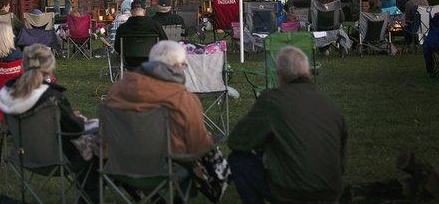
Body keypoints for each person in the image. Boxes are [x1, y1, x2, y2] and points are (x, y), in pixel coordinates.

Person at [227, 46, 347, 204]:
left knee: (238, 160)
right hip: (331, 192)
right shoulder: (330, 105)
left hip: (292, 193)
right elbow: (341, 161)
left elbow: (237, 142)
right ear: (308, 72)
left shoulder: (272, 101)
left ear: (279, 75)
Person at [0, 44, 99, 203]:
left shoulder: (9, 94)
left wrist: (68, 116)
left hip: (23, 155)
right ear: (50, 66)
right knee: (96, 155)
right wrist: (77, 118)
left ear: (24, 63)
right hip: (58, 158)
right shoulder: (52, 97)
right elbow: (76, 130)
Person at [105, 40, 212, 155]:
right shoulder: (184, 99)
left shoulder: (116, 91)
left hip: (120, 165)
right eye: (184, 65)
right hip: (170, 167)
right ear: (177, 67)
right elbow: (199, 145)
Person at [114, 2, 168, 68]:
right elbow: (165, 42)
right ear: (144, 11)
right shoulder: (155, 25)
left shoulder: (122, 28)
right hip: (151, 59)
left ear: (131, 12)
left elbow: (117, 47)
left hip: (130, 61)